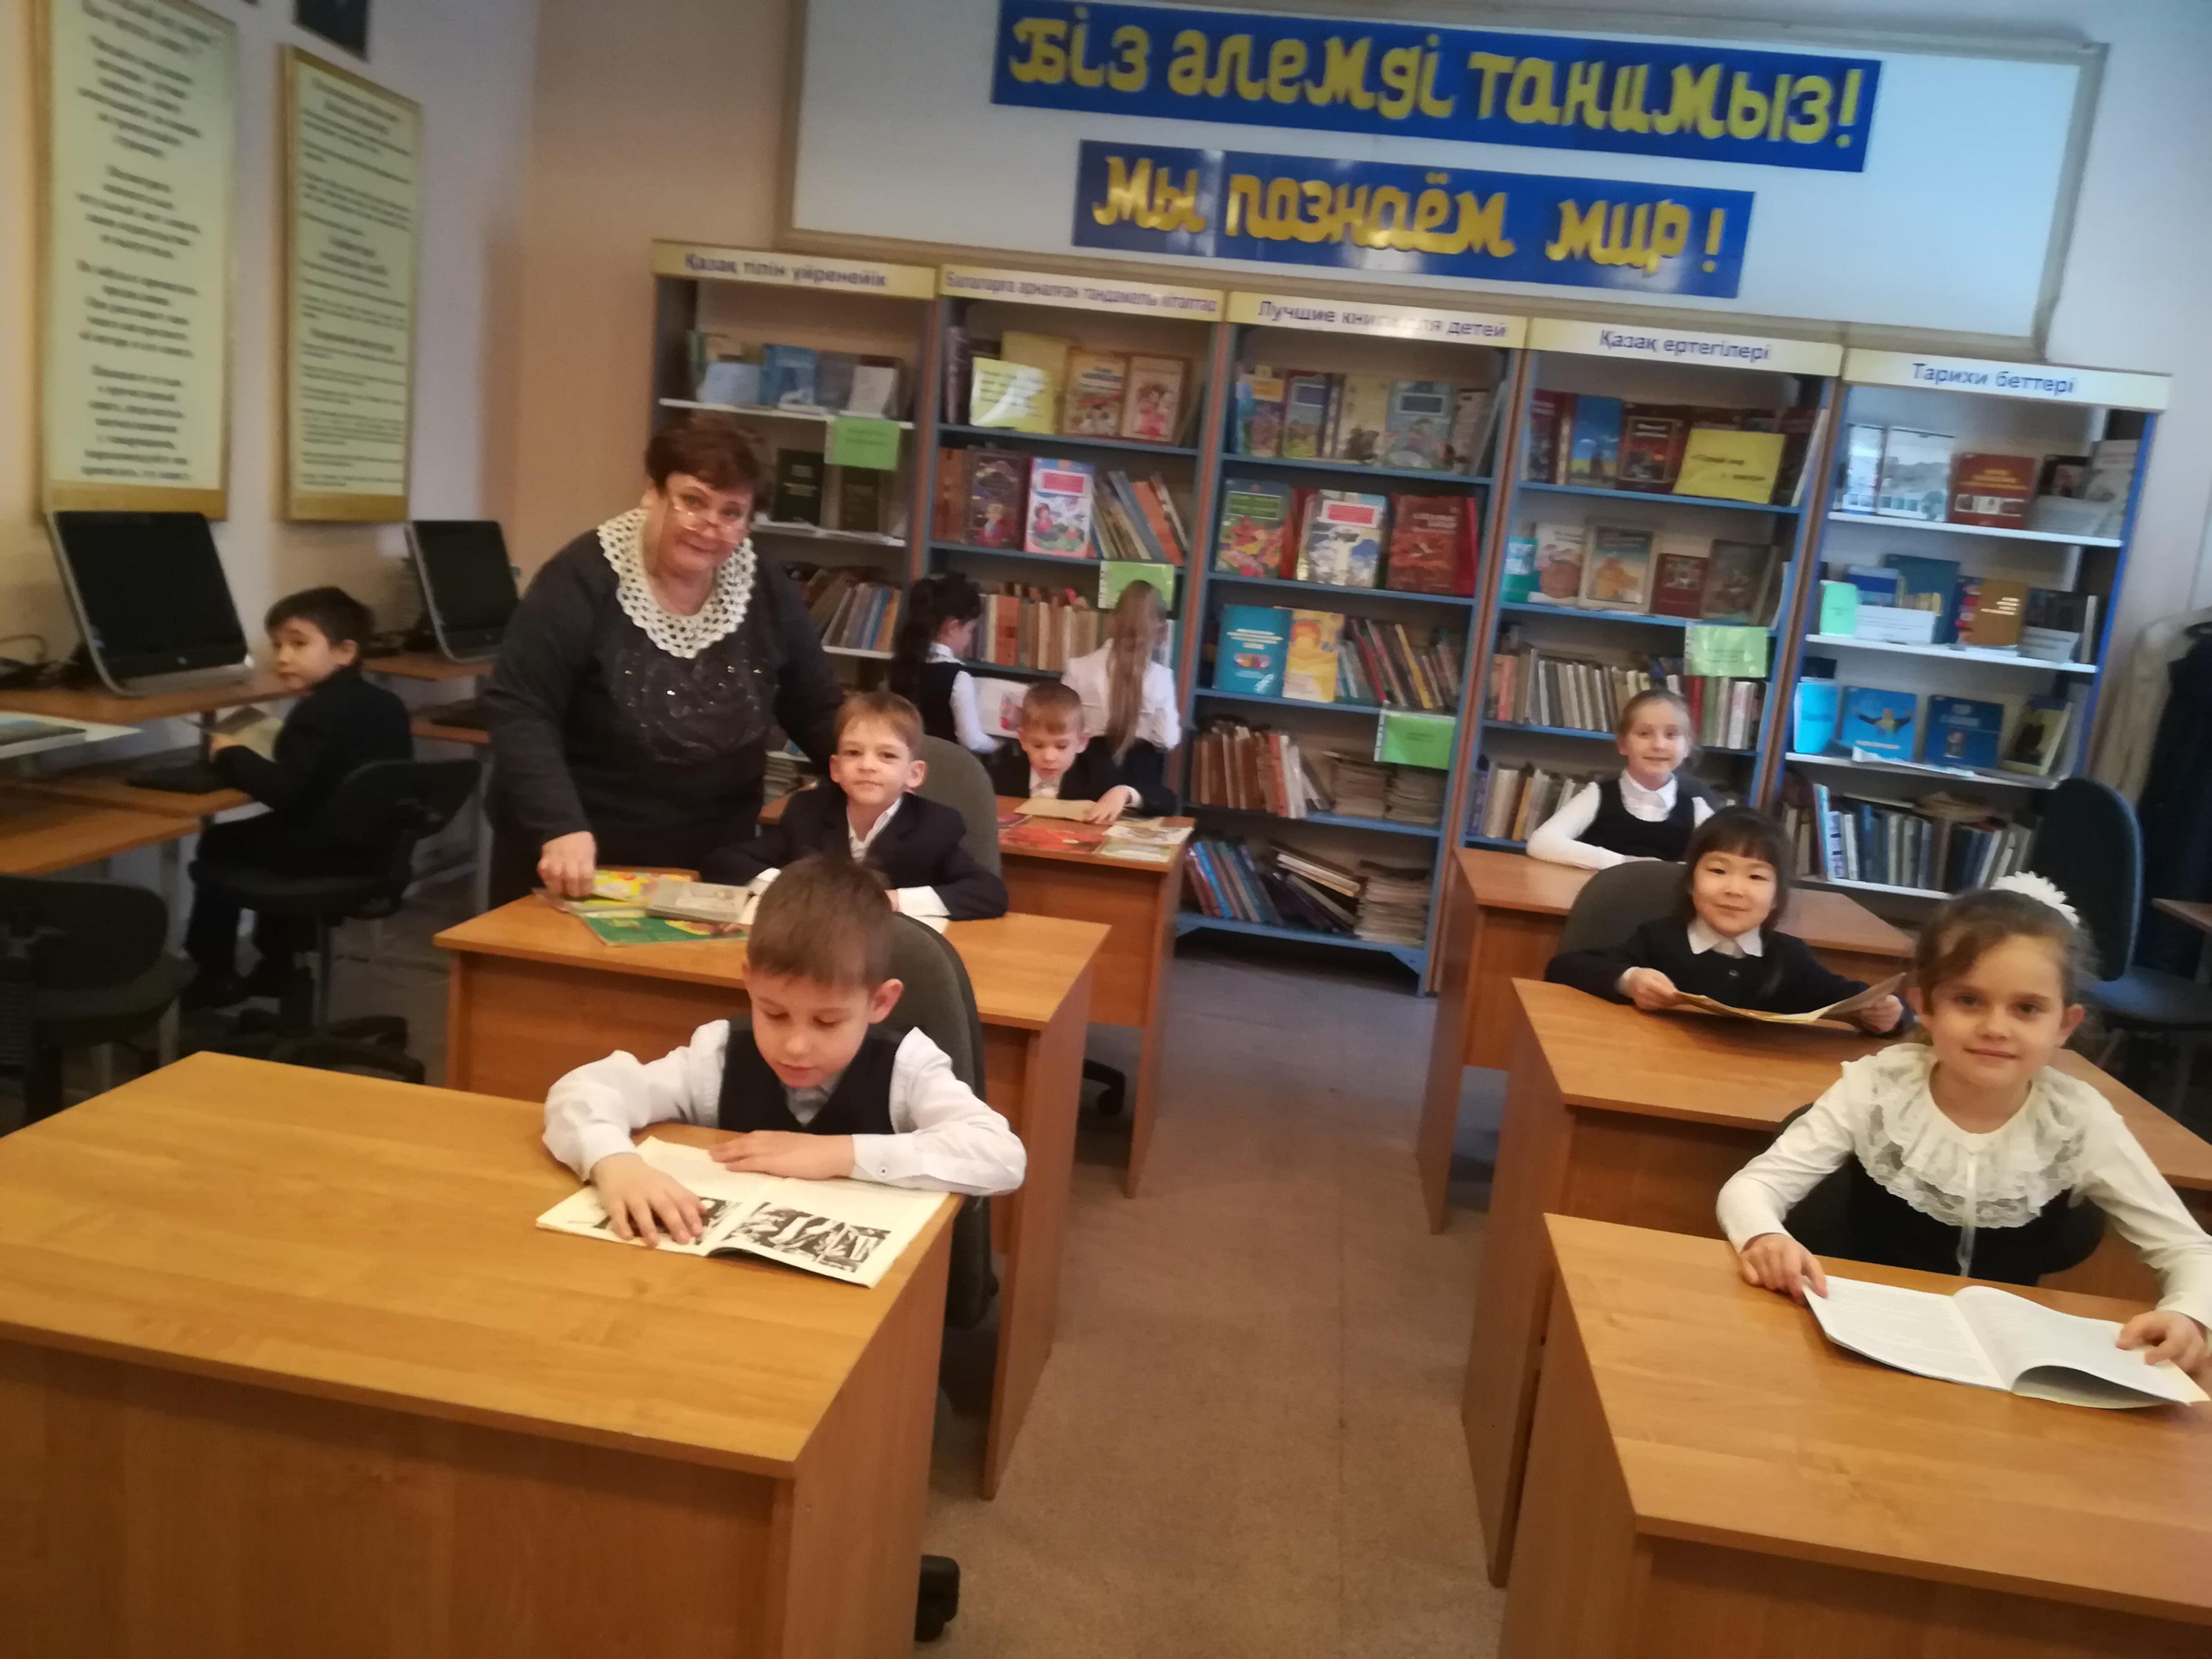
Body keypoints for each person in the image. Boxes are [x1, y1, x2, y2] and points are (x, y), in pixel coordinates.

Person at [1718, 875, 2211, 1375]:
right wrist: (1764, 1237)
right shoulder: (1877, 1088)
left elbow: (2191, 1248)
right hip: (1863, 1350)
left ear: (2065, 1024)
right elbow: (1753, 1187)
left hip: (2006, 1373)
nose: (1996, 1028)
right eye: (1969, 1001)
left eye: (2027, 1008)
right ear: (1926, 1005)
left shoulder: (2078, 1120)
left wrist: (2189, 1314)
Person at [541, 855, 1027, 1245]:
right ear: (749, 983)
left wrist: (840, 1153)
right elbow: (583, 1090)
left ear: (880, 1002)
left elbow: (1001, 1157)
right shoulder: (718, 1055)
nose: (795, 1046)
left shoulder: (908, 1066)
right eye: (773, 1014)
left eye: (827, 1021)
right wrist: (615, 1164)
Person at [482, 413, 843, 906]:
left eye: (732, 512)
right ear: (652, 491)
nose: (709, 527)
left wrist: (867, 771)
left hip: (716, 857)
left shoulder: (763, 584)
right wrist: (560, 826)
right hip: (582, 857)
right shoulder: (581, 578)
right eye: (692, 501)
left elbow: (815, 705)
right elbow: (520, 707)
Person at [182, 587, 413, 1008]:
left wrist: (230, 753)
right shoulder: (387, 703)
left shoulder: (319, 710)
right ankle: (278, 963)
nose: (283, 657)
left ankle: (213, 973)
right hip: (375, 848)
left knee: (221, 841)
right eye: (277, 646)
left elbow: (284, 792)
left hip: (325, 849)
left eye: (298, 644)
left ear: (344, 652)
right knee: (270, 836)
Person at [1546, 807, 1906, 1031]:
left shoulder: (1788, 958)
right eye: (1718, 871)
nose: (1735, 890)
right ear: (1691, 882)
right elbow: (1565, 967)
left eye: (1757, 877)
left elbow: (1857, 999)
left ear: (1777, 896)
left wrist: (1886, 1016)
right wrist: (1630, 980)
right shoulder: (1659, 940)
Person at [711, 691, 1007, 921]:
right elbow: (725, 862)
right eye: (853, 753)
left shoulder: (935, 826)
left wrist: (890, 900)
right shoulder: (807, 812)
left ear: (914, 774)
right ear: (836, 768)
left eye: (887, 756)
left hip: (894, 950)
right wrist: (796, 888)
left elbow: (989, 893)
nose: (867, 766)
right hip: (814, 945)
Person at [1526, 688, 1715, 868]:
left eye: (1671, 735)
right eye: (1644, 734)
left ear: (1687, 747)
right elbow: (1541, 843)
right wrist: (1624, 862)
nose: (1659, 745)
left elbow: (1722, 861)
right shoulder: (1598, 795)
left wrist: (1673, 871)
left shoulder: (1697, 808)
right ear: (1623, 744)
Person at [985, 681, 1175, 823]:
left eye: (1061, 746)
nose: (1049, 757)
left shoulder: (1095, 772)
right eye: (1038, 745)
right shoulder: (1000, 775)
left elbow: (1167, 800)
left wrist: (1125, 793)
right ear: (1023, 740)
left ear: (1082, 742)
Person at [1061, 579, 1181, 760]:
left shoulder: (1077, 668)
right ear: (1162, 631)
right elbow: (1167, 740)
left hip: (1085, 771)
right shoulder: (1161, 678)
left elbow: (1063, 728)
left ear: (1112, 622)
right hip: (1140, 775)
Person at [888, 571, 998, 755]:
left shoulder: (904, 662)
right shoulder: (957, 676)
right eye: (970, 630)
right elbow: (971, 740)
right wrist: (999, 745)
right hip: (943, 763)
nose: (970, 638)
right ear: (952, 627)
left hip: (905, 759)